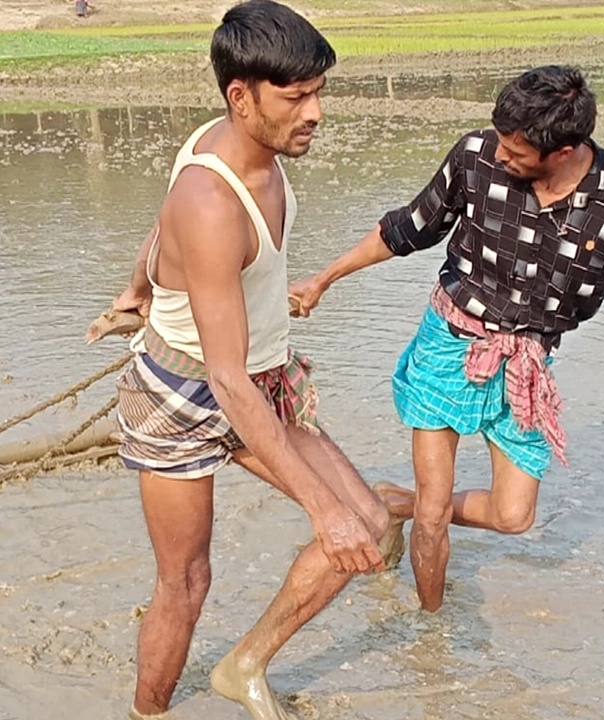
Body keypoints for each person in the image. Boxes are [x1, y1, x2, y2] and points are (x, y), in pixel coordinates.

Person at [289, 65, 604, 613]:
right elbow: (409, 228)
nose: (500, 154)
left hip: (526, 366)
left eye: (516, 150)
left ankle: (392, 502)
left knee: (513, 516)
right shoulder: (475, 156)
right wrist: (324, 278)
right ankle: (431, 631)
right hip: (451, 344)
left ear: (564, 150)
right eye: (500, 140)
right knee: (434, 517)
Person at [104, 2, 393, 718]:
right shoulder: (211, 201)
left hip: (261, 382)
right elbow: (224, 378)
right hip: (182, 396)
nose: (315, 113)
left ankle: (244, 664)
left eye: (319, 92)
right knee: (187, 582)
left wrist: (137, 288)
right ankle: (148, 712)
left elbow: (158, 229)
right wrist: (321, 510)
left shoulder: (245, 149)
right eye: (296, 97)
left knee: (369, 525)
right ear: (242, 97)